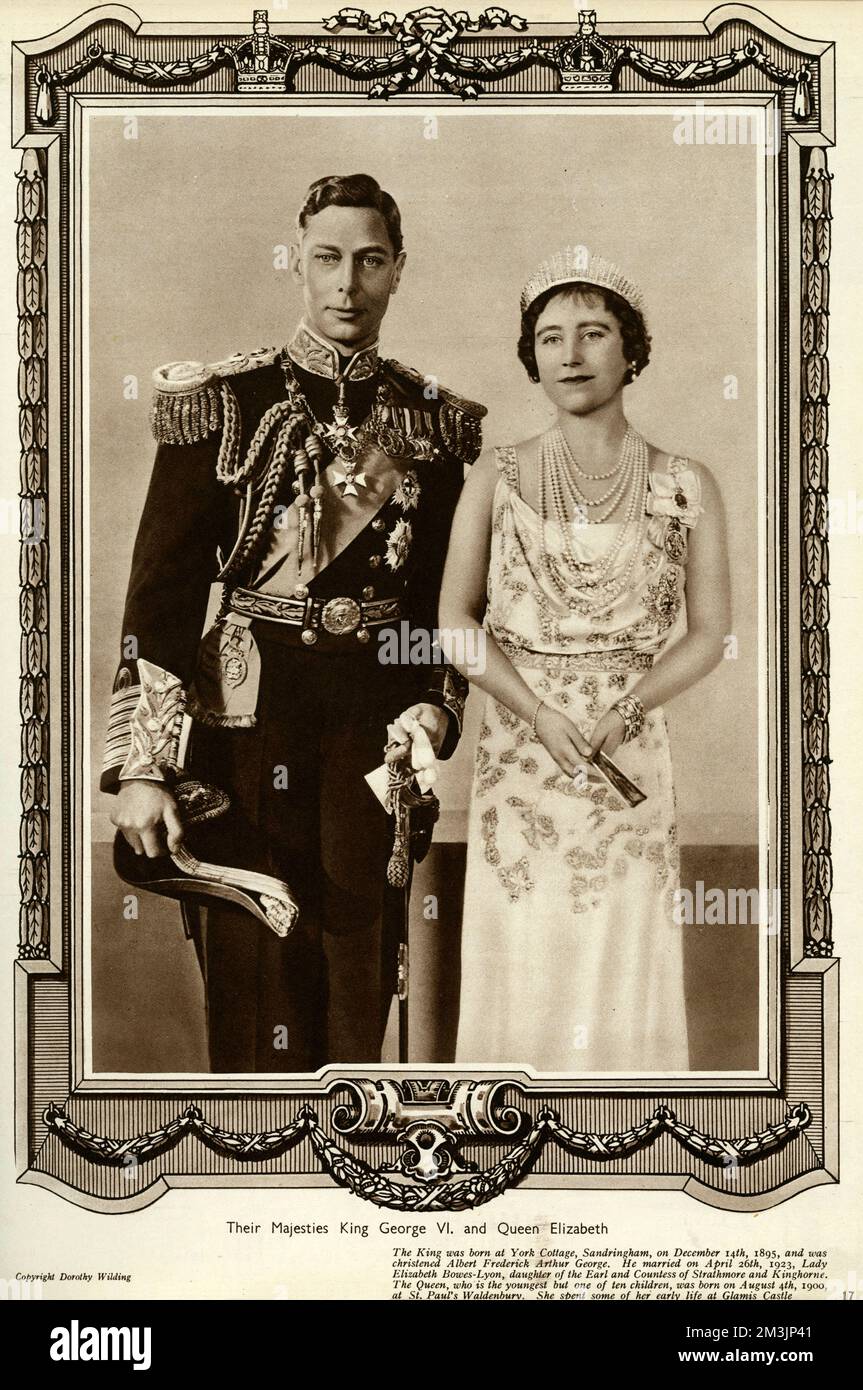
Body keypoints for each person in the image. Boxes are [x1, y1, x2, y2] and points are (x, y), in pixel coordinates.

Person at [101, 173, 485, 1072]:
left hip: (370, 735)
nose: (346, 284)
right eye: (327, 260)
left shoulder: (430, 423)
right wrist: (144, 771)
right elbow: (158, 601)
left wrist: (435, 707)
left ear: (398, 271)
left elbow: (441, 603)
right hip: (244, 718)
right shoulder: (222, 402)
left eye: (369, 261)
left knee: (359, 969)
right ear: (299, 264)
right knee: (255, 974)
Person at [439, 246, 730, 1071]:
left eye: (593, 333)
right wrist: (536, 712)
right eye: (549, 337)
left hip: (627, 751)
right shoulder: (495, 477)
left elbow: (710, 633)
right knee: (526, 946)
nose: (569, 353)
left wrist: (620, 713)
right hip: (520, 750)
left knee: (619, 942)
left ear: (631, 350)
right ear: (530, 357)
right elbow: (454, 622)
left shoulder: (685, 482)